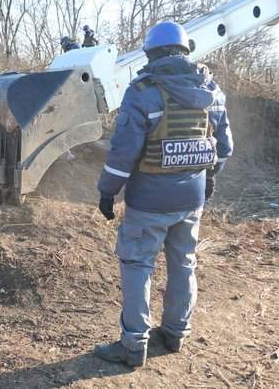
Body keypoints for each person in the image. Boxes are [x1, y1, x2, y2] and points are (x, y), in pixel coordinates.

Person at [93, 20, 233, 367]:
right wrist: (210, 176)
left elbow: (122, 154)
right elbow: (225, 148)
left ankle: (133, 345)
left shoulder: (143, 92)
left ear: (152, 53)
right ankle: (174, 334)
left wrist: (107, 193)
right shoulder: (211, 91)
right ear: (185, 51)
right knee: (184, 263)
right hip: (192, 200)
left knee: (138, 265)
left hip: (148, 203)